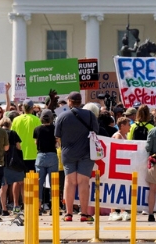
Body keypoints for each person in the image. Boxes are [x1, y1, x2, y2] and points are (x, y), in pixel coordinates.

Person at [54, 91, 98, 222]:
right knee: (84, 182)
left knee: (70, 181)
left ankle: (68, 214)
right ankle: (84, 214)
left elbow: (57, 136)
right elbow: (96, 131)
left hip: (68, 153)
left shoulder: (62, 116)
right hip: (86, 152)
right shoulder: (90, 115)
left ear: (70, 102)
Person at [33, 109, 58, 213]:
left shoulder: (37, 129)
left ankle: (38, 207)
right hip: (52, 155)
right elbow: (57, 142)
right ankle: (54, 208)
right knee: (54, 183)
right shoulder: (55, 128)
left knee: (39, 183)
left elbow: (36, 142)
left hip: (40, 156)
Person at [0, 118, 25, 215]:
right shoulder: (13, 133)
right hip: (14, 162)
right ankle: (20, 205)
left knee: (3, 186)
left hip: (2, 161)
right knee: (20, 182)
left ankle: (4, 208)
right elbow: (19, 147)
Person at [11, 100, 41, 172]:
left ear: (22, 108)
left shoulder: (16, 120)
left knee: (22, 179)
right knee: (32, 178)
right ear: (32, 108)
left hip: (19, 153)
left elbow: (12, 135)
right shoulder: (36, 120)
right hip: (33, 153)